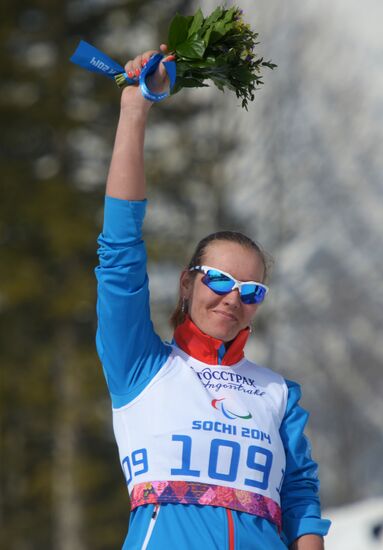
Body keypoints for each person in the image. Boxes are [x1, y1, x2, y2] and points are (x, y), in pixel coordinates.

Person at [95, 44, 331, 550]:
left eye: (251, 291)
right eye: (218, 280)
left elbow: (299, 498)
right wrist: (135, 111)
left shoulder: (276, 395)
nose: (232, 298)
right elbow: (120, 254)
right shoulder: (141, 366)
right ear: (187, 282)